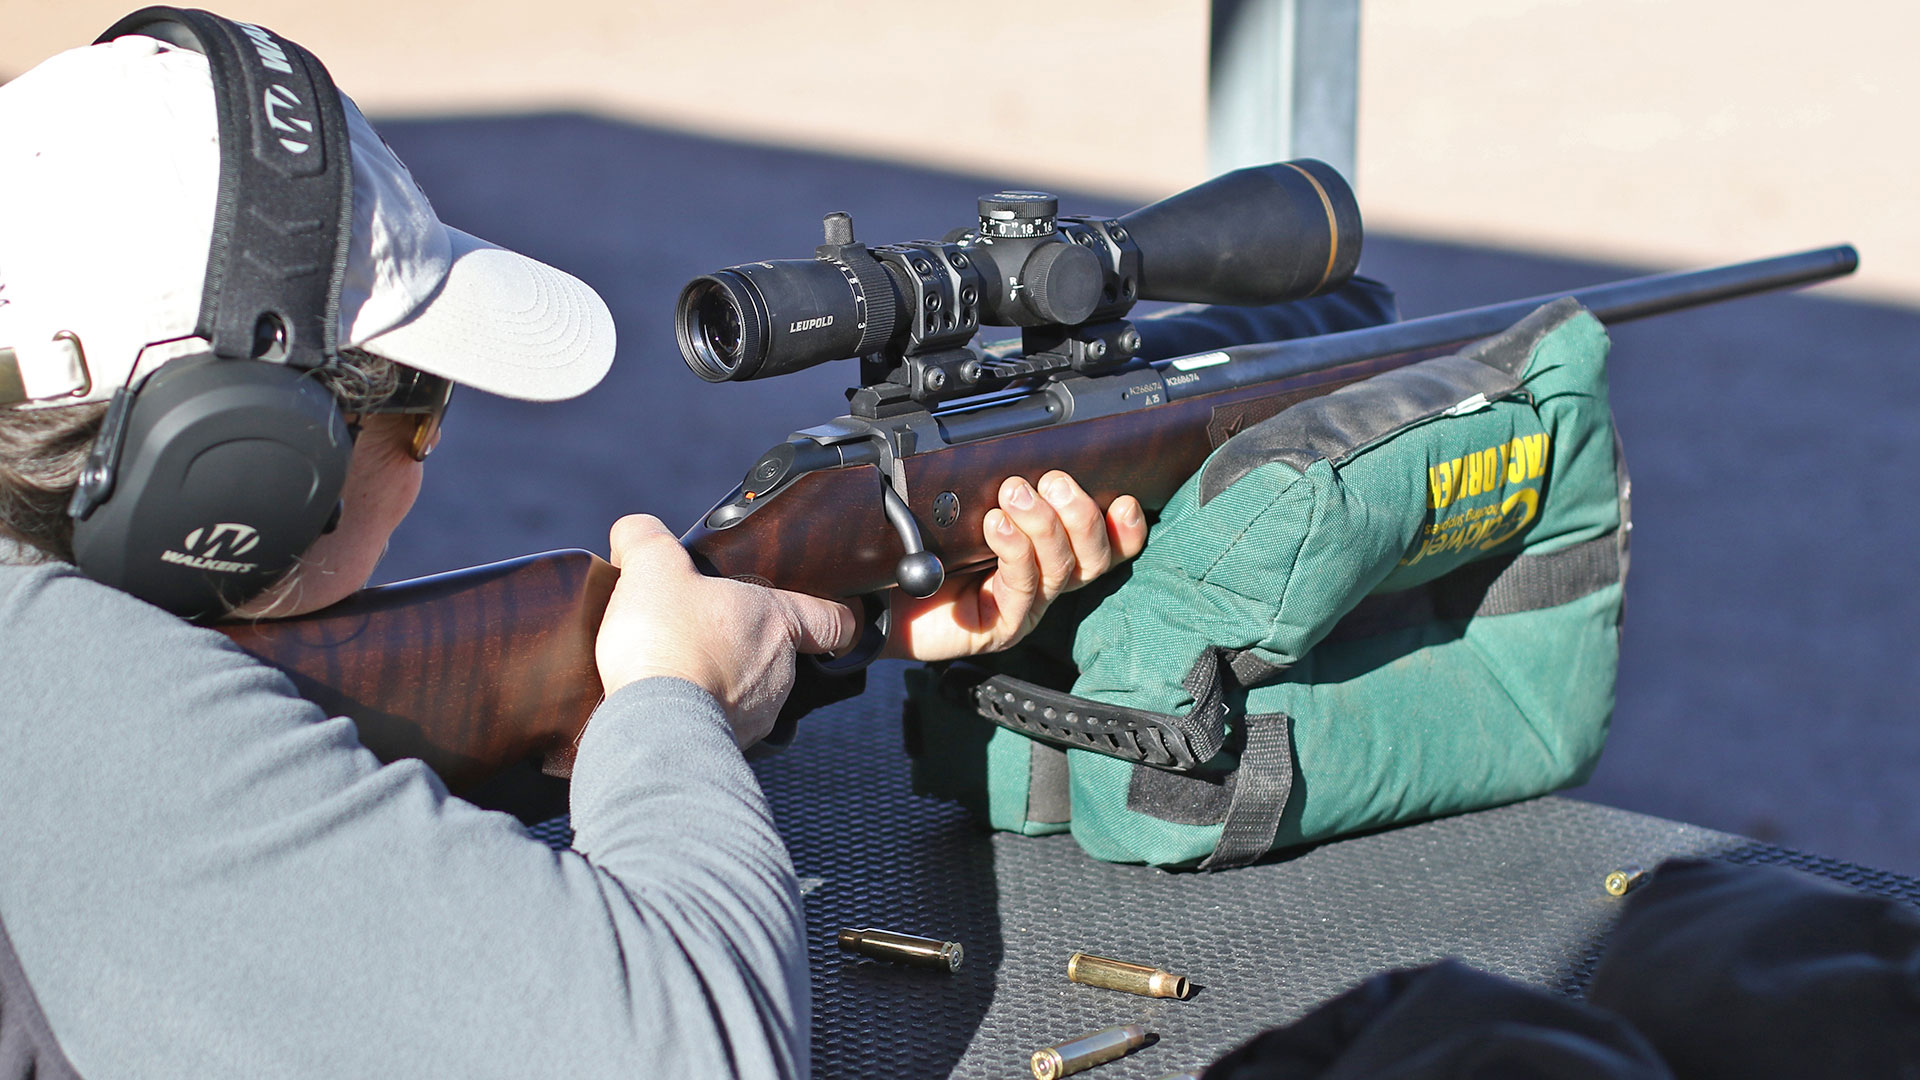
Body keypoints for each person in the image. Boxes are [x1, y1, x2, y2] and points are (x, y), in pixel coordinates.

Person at [0, 25, 1145, 1080]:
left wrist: (825, 630)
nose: (433, 445)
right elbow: (689, 1049)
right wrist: (669, 697)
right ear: (239, 471)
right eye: (422, 403)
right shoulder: (82, 702)